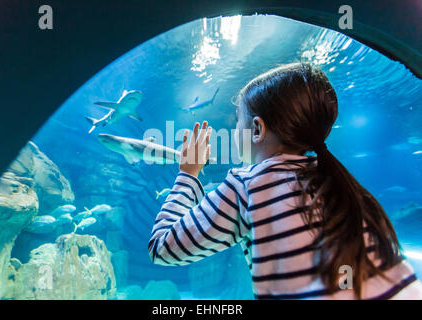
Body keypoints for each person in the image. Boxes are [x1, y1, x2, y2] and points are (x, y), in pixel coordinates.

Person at [148, 62, 422, 299]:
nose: (234, 130)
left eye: (237, 122)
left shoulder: (247, 185)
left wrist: (188, 173)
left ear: (256, 129)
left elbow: (162, 247)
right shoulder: (340, 184)